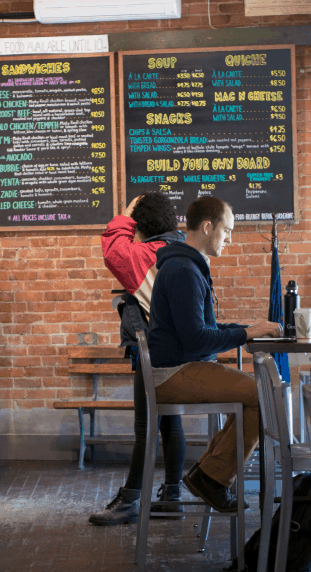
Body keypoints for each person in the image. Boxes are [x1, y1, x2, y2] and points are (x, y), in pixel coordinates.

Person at [147, 196, 282, 512]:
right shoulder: (183, 270)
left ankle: (208, 474)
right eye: (227, 231)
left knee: (260, 394)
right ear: (208, 227)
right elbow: (196, 340)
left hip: (181, 367)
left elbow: (204, 328)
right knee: (264, 395)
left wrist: (249, 328)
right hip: (176, 372)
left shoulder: (185, 264)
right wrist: (247, 333)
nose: (230, 239)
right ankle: (212, 478)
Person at [88, 193, 187, 526]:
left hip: (155, 354)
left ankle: (129, 500)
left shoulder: (146, 255)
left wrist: (128, 213)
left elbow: (113, 250)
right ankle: (172, 496)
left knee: (146, 430)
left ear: (142, 226)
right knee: (171, 423)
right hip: (178, 353)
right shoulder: (180, 250)